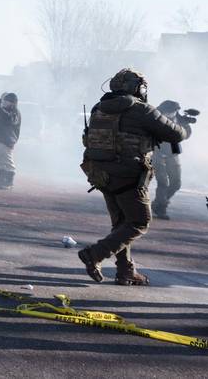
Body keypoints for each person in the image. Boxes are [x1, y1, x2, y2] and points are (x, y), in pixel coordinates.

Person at [77, 68, 187, 286]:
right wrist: (181, 123)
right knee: (139, 222)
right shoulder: (142, 110)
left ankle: (126, 271)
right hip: (129, 175)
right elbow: (176, 134)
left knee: (121, 224)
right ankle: (95, 254)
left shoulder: (99, 107)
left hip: (100, 174)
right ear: (135, 87)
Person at [151, 100, 197, 220]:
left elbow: (186, 135)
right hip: (157, 152)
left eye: (175, 111)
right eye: (170, 111)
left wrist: (185, 124)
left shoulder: (178, 118)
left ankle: (157, 204)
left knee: (176, 183)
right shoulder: (154, 117)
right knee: (163, 183)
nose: (172, 113)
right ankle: (161, 208)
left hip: (173, 152)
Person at [0, 92, 21, 189]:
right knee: (1, 161)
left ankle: (9, 182)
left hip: (7, 140)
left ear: (12, 103)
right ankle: (1, 180)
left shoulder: (15, 112)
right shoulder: (5, 111)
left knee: (8, 161)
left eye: (6, 101)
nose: (4, 103)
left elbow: (9, 119)